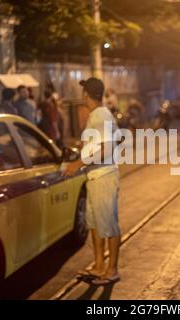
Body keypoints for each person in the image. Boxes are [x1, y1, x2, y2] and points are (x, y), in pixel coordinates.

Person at [63, 77, 121, 285]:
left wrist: (78, 163)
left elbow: (107, 148)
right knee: (95, 224)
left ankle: (111, 269)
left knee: (109, 225)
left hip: (104, 176)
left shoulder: (101, 115)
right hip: (96, 176)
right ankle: (98, 266)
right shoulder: (98, 115)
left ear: (86, 94)